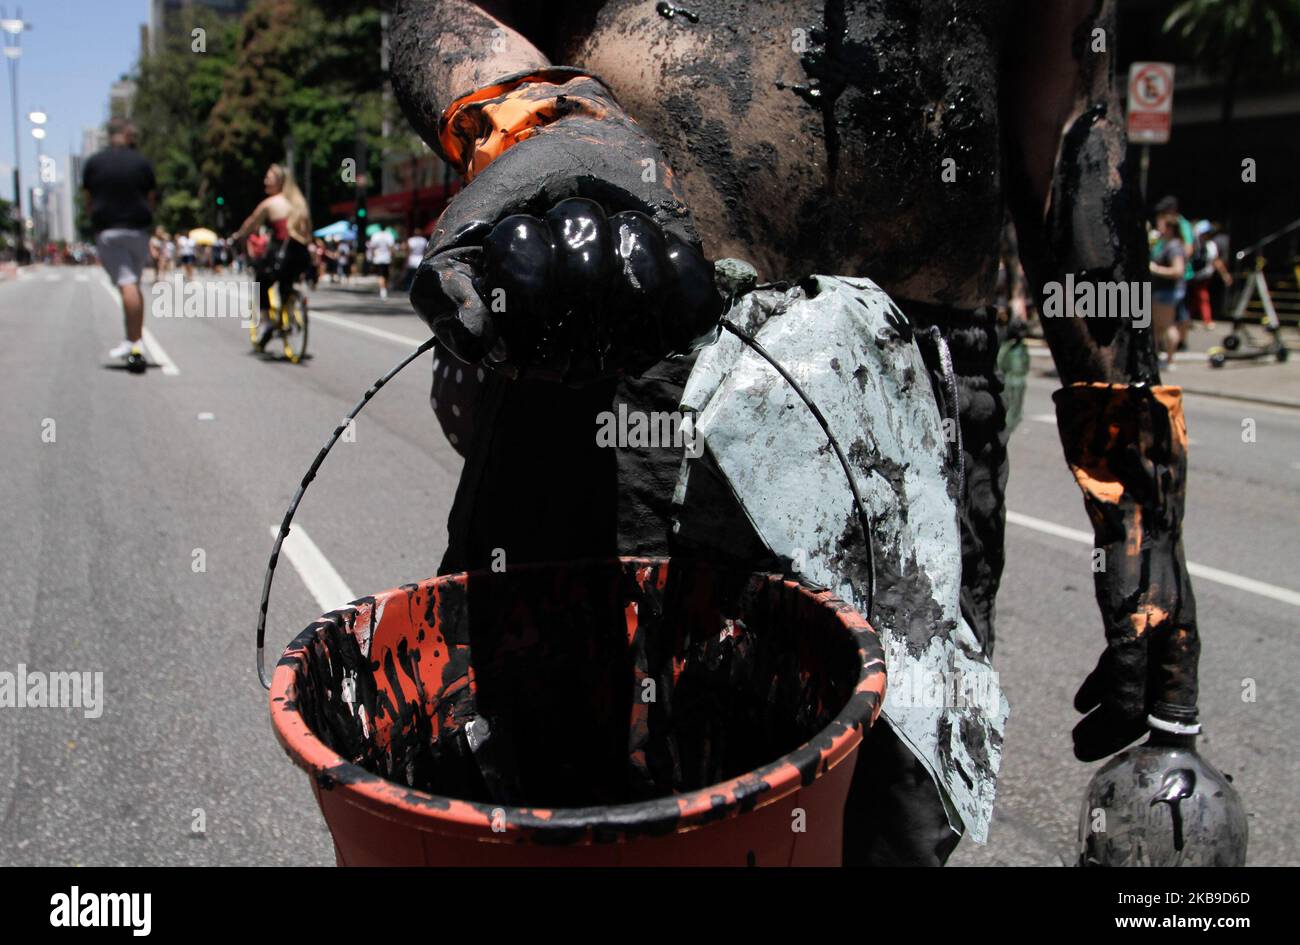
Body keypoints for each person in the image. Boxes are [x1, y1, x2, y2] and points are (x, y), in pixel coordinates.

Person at [394, 0, 1206, 866]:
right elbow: (441, 11)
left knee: (879, 832)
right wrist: (554, 133)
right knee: (568, 807)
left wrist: (1138, 498)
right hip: (628, 341)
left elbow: (1072, 116)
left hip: (913, 420)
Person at [82, 117, 157, 374]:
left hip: (110, 230)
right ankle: (132, 339)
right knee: (133, 283)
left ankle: (135, 344)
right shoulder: (141, 162)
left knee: (126, 284)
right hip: (138, 230)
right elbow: (151, 198)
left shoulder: (95, 163)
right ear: (126, 134)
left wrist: (96, 223)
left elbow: (88, 200)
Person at [231, 164, 314, 348]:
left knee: (261, 282)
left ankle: (267, 323)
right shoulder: (300, 202)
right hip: (300, 254)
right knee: (286, 285)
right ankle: (291, 316)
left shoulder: (270, 203)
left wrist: (239, 236)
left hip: (280, 254)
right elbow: (308, 232)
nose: (265, 180)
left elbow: (251, 224)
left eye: (269, 177)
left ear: (279, 181)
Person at [1150, 208, 1187, 370]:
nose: (1159, 228)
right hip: (1164, 290)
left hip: (1167, 291)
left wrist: (1155, 269)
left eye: (1162, 225)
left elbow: (1178, 270)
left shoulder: (1173, 246)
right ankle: (1160, 358)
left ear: (1170, 228)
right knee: (1158, 327)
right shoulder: (1167, 244)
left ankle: (1170, 360)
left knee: (1166, 326)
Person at [1187, 219, 1232, 330]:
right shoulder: (1192, 244)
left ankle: (1203, 320)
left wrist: (1225, 275)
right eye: (1204, 233)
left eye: (1208, 233)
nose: (1207, 235)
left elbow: (1216, 261)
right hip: (1189, 275)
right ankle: (1188, 320)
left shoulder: (1211, 245)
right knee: (1193, 298)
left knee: (1201, 297)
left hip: (1204, 276)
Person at [367, 227, 396, 298]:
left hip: (378, 258)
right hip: (387, 258)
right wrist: (392, 257)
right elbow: (392, 247)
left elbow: (372, 247)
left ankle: (383, 290)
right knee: (386, 275)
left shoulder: (375, 235)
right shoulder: (389, 235)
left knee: (380, 275)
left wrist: (372, 257)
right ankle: (384, 289)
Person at [401, 228, 428, 292]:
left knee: (411, 275)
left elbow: (408, 251)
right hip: (420, 258)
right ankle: (419, 288)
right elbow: (425, 251)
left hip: (412, 259)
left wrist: (406, 260)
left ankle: (410, 288)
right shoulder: (424, 240)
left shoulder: (410, 240)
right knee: (419, 275)